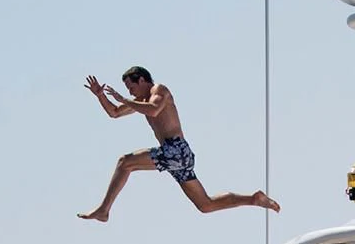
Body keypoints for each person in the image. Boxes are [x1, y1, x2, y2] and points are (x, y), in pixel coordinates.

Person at [77, 67, 280, 222]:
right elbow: (114, 113)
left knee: (125, 162)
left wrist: (126, 100)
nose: (130, 92)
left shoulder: (159, 90)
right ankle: (253, 199)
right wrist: (100, 95)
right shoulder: (139, 101)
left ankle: (104, 210)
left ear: (142, 80)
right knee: (205, 205)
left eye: (131, 87)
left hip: (176, 150)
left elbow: (154, 110)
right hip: (177, 157)